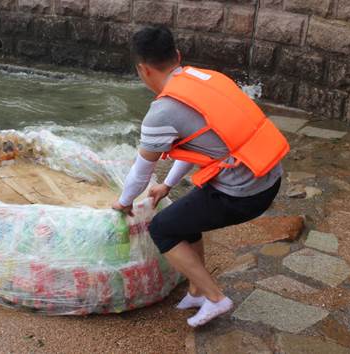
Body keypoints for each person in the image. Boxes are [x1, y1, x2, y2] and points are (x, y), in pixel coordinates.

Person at [112, 26, 289, 327]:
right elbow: (200, 146)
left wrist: (123, 202)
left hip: (243, 192)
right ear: (177, 56)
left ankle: (216, 298)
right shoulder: (207, 79)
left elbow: (141, 173)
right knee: (185, 217)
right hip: (268, 174)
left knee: (163, 229)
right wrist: (167, 185)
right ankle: (196, 291)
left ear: (142, 69)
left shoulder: (161, 112)